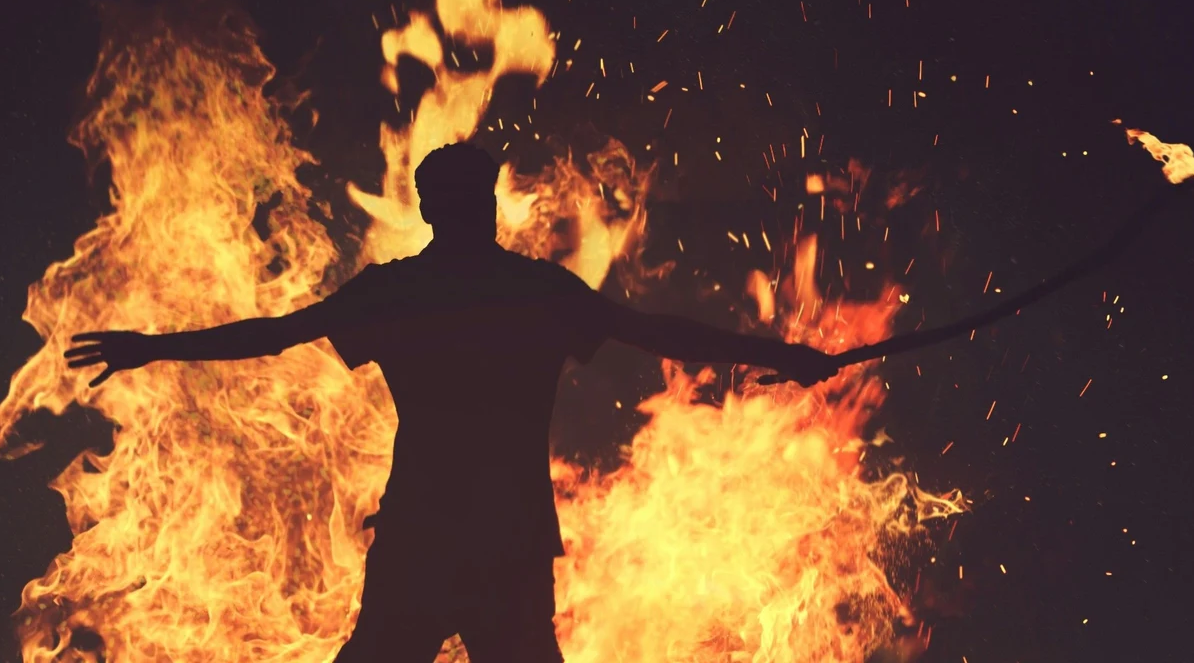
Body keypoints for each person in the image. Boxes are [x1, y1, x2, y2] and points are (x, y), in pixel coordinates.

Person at [64, 142, 841, 663]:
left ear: (433, 210)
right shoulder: (534, 291)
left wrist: (152, 346)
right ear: (482, 206)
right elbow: (656, 333)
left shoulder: (400, 292)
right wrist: (786, 357)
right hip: (502, 539)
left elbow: (275, 334)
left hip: (426, 537)